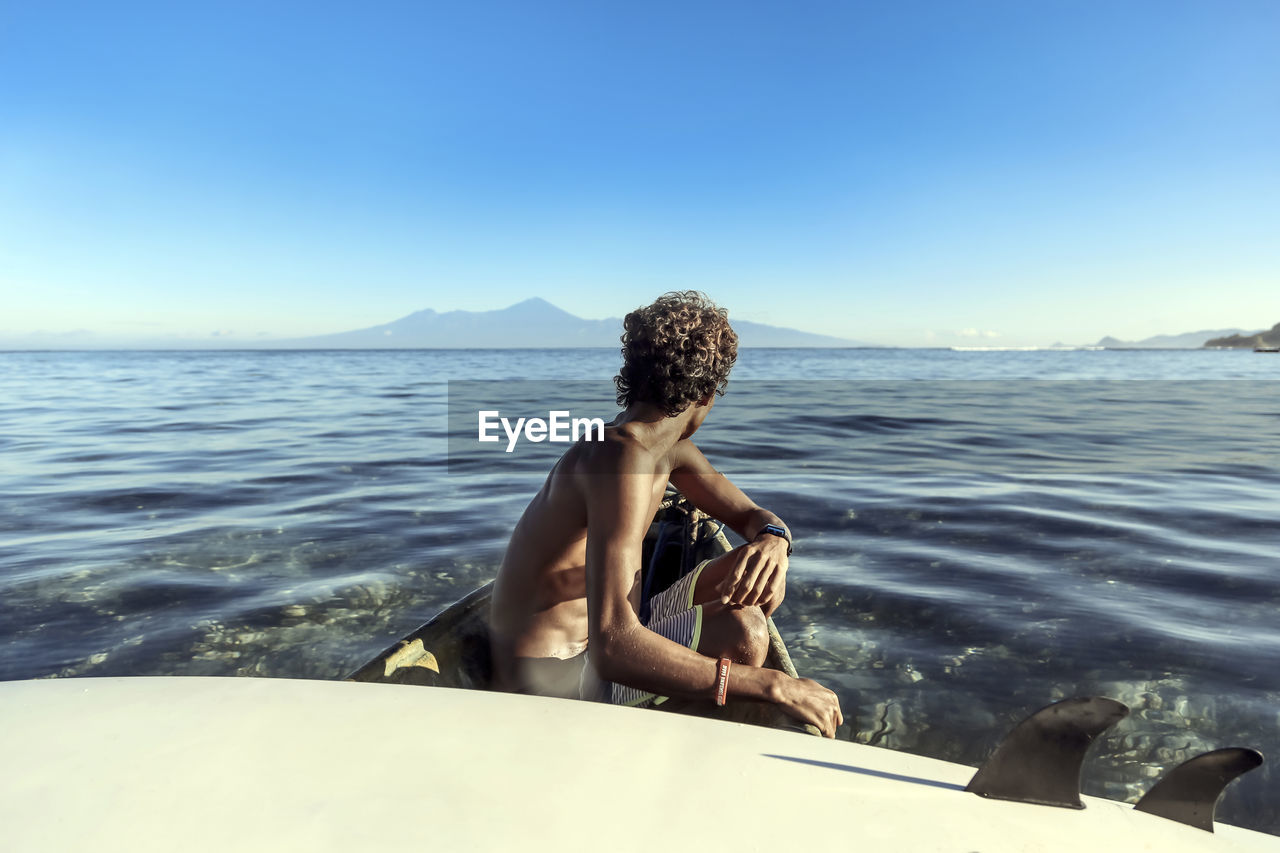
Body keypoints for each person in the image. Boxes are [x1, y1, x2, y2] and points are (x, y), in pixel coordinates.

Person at [488, 291, 843, 737]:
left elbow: (753, 515)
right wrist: (773, 685)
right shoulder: (619, 460)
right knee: (747, 632)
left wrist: (775, 541)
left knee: (748, 569)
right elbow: (613, 648)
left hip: (598, 644)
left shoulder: (663, 448)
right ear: (709, 393)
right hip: (551, 682)